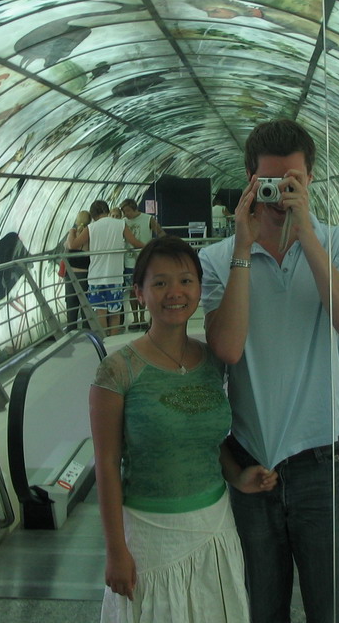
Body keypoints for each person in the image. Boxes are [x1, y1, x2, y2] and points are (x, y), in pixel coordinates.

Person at [199, 120, 339, 623]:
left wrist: (308, 235)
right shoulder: (218, 258)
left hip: (322, 463)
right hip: (254, 464)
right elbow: (228, 348)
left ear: (311, 179)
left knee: (325, 608)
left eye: (292, 183)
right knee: (262, 608)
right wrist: (243, 249)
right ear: (250, 181)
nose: (280, 196)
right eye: (270, 184)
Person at [90, 235, 277, 623]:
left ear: (199, 288)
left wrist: (238, 476)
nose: (174, 292)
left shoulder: (212, 360)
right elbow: (106, 464)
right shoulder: (117, 370)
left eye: (186, 281)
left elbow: (207, 438)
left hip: (214, 528)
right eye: (159, 283)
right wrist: (115, 551)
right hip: (150, 537)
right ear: (139, 292)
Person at [67, 200, 143, 336]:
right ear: (107, 211)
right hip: (115, 276)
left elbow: (73, 245)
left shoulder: (91, 228)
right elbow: (134, 242)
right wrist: (150, 246)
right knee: (114, 311)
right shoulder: (120, 224)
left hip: (96, 277)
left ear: (93, 214)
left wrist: (72, 231)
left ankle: (105, 339)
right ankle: (113, 339)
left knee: (100, 311)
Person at [119, 199, 164, 330]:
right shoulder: (123, 222)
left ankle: (144, 317)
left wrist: (163, 244)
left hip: (145, 260)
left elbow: (159, 231)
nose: (126, 214)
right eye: (124, 211)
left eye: (127, 210)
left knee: (145, 289)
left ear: (134, 208)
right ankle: (136, 318)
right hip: (129, 261)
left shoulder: (148, 219)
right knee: (133, 291)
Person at [63, 209, 91, 329]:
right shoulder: (90, 232)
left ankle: (71, 330)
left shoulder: (73, 233)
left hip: (71, 273)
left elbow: (68, 245)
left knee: (71, 303)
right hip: (85, 273)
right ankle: (86, 329)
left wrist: (71, 232)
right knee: (85, 303)